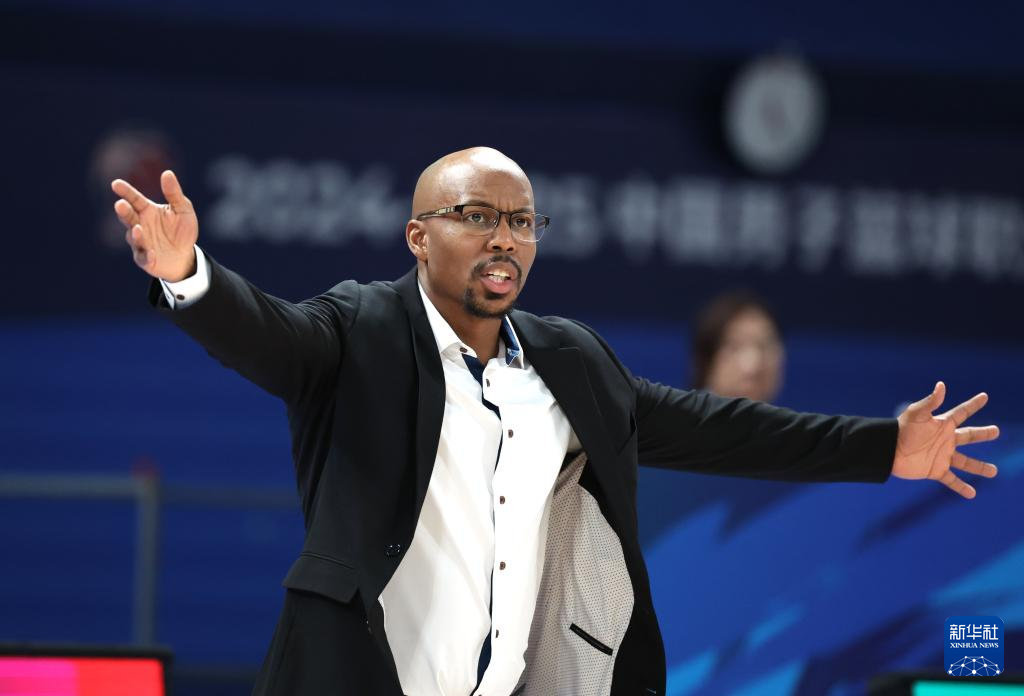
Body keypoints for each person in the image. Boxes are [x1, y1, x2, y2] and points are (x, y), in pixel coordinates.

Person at [111, 147, 999, 696]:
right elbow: (266, 335)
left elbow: (722, 428)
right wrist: (189, 274)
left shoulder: (569, 364)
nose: (504, 238)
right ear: (418, 237)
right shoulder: (361, 329)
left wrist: (887, 448)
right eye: (477, 217)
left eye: (522, 222)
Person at [691, 291, 784, 402]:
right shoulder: (683, 412)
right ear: (706, 361)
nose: (751, 366)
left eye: (764, 347)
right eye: (735, 347)